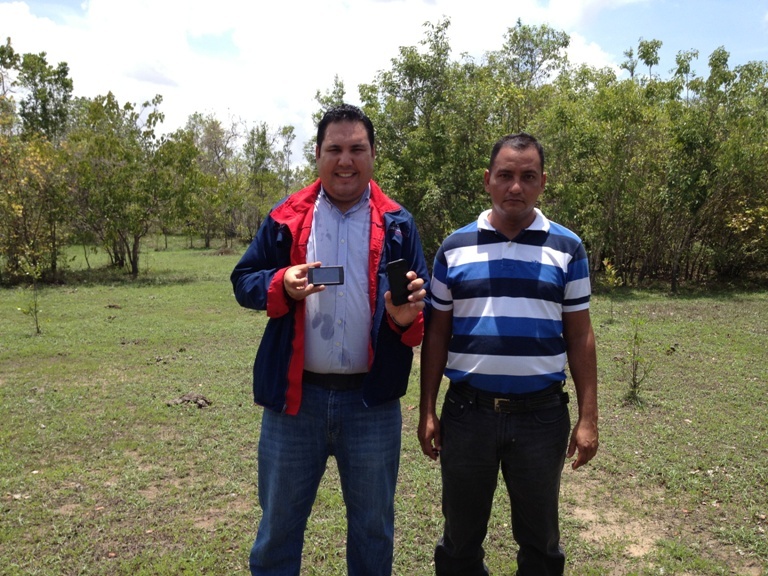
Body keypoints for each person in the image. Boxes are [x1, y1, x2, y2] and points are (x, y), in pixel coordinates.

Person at [231, 104, 429, 576]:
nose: (346, 160)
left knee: (373, 531)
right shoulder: (286, 218)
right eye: (334, 149)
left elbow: (418, 313)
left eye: (357, 149)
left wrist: (404, 319)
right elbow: (244, 280)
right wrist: (280, 283)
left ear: (373, 154)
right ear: (317, 154)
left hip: (372, 404)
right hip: (296, 403)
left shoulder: (399, 224)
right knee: (277, 530)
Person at [417, 132, 598, 576]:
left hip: (540, 418)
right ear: (487, 180)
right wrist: (426, 410)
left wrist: (589, 417)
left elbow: (580, 336)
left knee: (541, 543)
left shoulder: (568, 248)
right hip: (467, 412)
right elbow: (436, 335)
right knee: (459, 540)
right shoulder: (454, 247)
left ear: (542, 183)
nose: (515, 186)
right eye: (505, 175)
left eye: (527, 176)